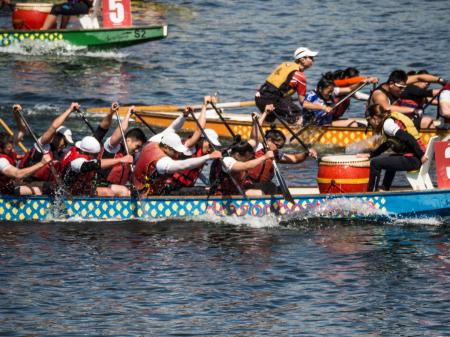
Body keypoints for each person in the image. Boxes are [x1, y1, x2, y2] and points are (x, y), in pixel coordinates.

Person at [247, 105, 317, 193]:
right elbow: (254, 135)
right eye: (277, 145)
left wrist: (306, 153)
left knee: (280, 189)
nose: (278, 148)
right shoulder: (255, 147)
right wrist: (265, 113)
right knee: (271, 187)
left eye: (280, 147)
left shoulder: (276, 154)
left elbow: (295, 159)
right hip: (248, 184)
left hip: (264, 185)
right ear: (268, 140)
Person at [358, 104, 427, 191]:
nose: (370, 124)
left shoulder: (388, 125)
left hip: (415, 159)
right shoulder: (389, 120)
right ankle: (385, 187)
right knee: (390, 159)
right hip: (415, 157)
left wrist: (421, 155)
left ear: (375, 118)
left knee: (375, 163)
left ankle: (372, 192)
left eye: (369, 120)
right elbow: (387, 144)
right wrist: (371, 154)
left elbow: (409, 138)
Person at [255, 47, 329, 124]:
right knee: (301, 117)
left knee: (272, 117)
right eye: (311, 58)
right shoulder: (300, 77)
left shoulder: (285, 65)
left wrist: (287, 98)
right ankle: (293, 134)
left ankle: (262, 121)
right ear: (302, 59)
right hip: (272, 101)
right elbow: (303, 103)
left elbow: (277, 86)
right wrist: (323, 107)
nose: (313, 60)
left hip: (260, 97)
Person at [134, 132, 222, 196]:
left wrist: (184, 116)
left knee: (205, 189)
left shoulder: (153, 143)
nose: (178, 155)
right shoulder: (162, 162)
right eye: (175, 151)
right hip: (159, 192)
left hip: (154, 188)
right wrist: (208, 157)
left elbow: (172, 128)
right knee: (206, 191)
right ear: (166, 147)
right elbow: (182, 165)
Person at [18, 102, 76, 184]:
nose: (65, 145)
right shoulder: (43, 145)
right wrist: (70, 110)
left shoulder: (59, 153)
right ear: (56, 137)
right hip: (27, 182)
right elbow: (53, 127)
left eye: (67, 143)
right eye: (65, 141)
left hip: (43, 185)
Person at [368, 69, 444, 129]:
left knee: (430, 123)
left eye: (404, 88)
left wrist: (440, 80)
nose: (402, 90)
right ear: (391, 84)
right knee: (426, 121)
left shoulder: (398, 83)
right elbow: (387, 107)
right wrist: (413, 110)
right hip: (380, 126)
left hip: (394, 120)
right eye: (400, 88)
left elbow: (419, 77)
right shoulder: (379, 94)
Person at [97, 106, 147, 197]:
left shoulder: (133, 155)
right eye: (137, 146)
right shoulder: (113, 147)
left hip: (115, 189)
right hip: (100, 186)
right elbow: (122, 130)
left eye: (140, 148)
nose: (137, 150)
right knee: (124, 191)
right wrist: (128, 113)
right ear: (128, 140)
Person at [60, 135, 133, 196]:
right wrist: (120, 160)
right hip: (69, 194)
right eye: (96, 155)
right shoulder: (76, 162)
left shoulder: (81, 151)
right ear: (88, 153)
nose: (97, 156)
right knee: (108, 193)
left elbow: (101, 130)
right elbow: (94, 164)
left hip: (82, 188)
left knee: (121, 190)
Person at [209, 141, 275, 196]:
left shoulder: (237, 151)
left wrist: (257, 124)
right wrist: (265, 157)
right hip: (222, 194)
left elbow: (254, 139)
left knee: (270, 186)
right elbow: (245, 165)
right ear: (237, 155)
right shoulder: (226, 160)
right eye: (246, 158)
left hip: (237, 190)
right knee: (258, 193)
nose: (247, 160)